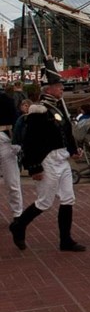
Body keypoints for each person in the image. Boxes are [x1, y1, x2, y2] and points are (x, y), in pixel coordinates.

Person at [9, 58, 86, 252]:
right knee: (44, 202)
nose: (61, 88)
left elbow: (66, 133)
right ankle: (19, 225)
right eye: (58, 86)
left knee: (68, 198)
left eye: (61, 85)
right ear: (48, 89)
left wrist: (73, 151)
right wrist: (34, 167)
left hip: (62, 159)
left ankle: (65, 240)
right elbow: (31, 142)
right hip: (48, 161)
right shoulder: (39, 110)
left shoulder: (59, 106)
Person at [0, 86, 23, 220]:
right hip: (5, 140)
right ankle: (18, 213)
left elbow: (16, 120)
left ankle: (18, 214)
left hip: (4, 140)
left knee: (12, 181)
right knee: (12, 181)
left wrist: (16, 141)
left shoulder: (5, 99)